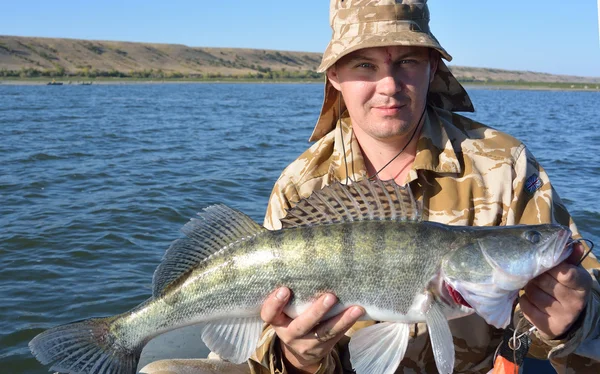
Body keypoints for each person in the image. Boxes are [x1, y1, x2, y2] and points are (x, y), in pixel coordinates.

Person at [248, 1, 600, 373]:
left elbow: (588, 303)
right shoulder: (299, 187)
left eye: (407, 61)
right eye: (364, 65)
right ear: (335, 75)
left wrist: (574, 321)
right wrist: (296, 357)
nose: (389, 85)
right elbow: (261, 344)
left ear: (433, 67)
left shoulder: (505, 165)